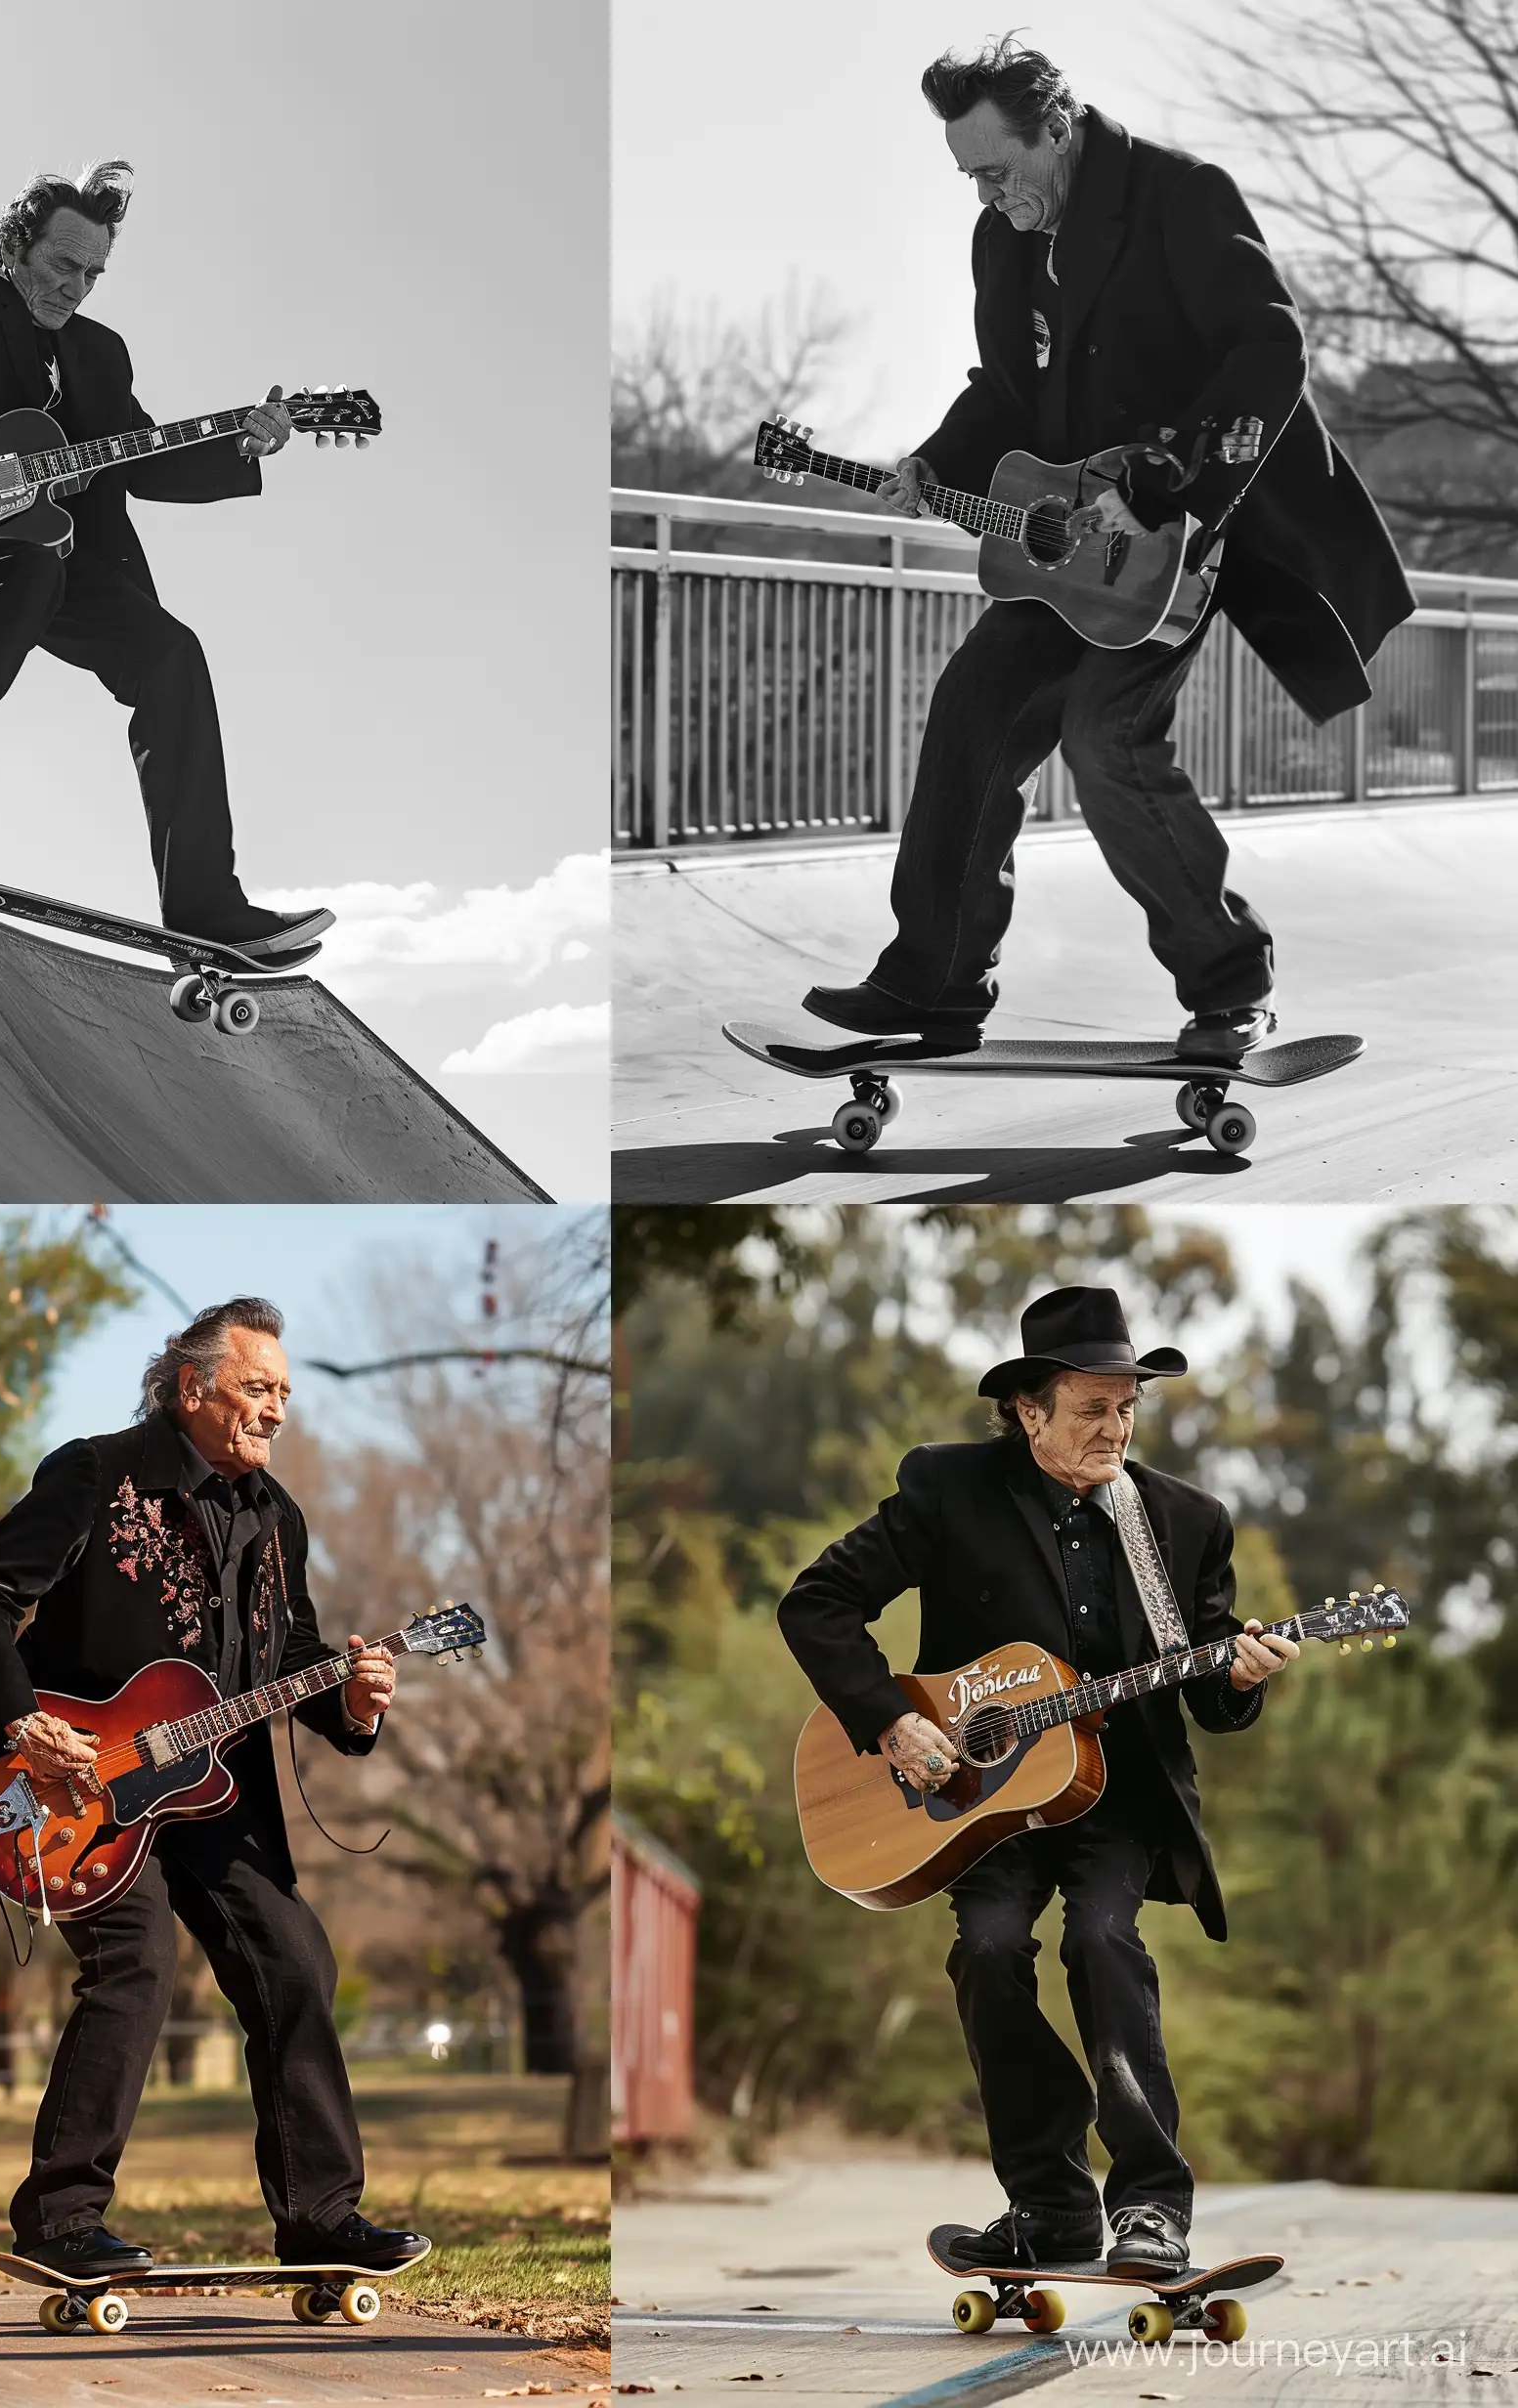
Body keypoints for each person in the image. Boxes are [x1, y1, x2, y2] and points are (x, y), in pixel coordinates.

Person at [804, 40, 1414, 1062]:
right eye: (966, 175)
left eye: (996, 168)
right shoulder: (998, 242)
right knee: (969, 708)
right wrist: (930, 459)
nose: (986, 193)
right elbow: (1004, 389)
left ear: (1056, 129)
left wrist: (1171, 484)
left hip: (1188, 533)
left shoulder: (1177, 196)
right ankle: (934, 983)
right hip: (1064, 553)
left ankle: (1226, 985)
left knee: (1104, 736)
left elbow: (1270, 349)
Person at [777, 1286, 1298, 2278]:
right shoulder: (945, 1488)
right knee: (985, 1949)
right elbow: (816, 1602)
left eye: (1126, 1407)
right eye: (1091, 1408)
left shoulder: (1185, 1520)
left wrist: (1238, 1679)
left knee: (1101, 1940)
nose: (1115, 1428)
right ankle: (1047, 2205)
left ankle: (1150, 2208)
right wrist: (888, 1719)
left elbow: (1208, 1694)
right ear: (1026, 1409)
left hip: (1119, 1792)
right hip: (971, 1797)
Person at [0, 1297, 428, 2283]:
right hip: (74, 1787)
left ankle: (321, 2218)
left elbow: (283, 1655)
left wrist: (357, 1703)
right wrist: (23, 1725)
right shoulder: (98, 1472)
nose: (277, 1409)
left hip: (219, 1796)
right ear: (193, 1387)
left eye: (286, 1391)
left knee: (296, 1965)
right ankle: (62, 2218)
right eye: (258, 1386)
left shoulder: (276, 1516)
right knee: (137, 1964)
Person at [0, 160, 355, 957]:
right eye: (62, 264)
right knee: (32, 568)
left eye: (94, 273)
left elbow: (142, 459)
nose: (77, 286)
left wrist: (246, 445)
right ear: (14, 250)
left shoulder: (98, 355)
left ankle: (205, 908)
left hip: (54, 541)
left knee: (170, 655)